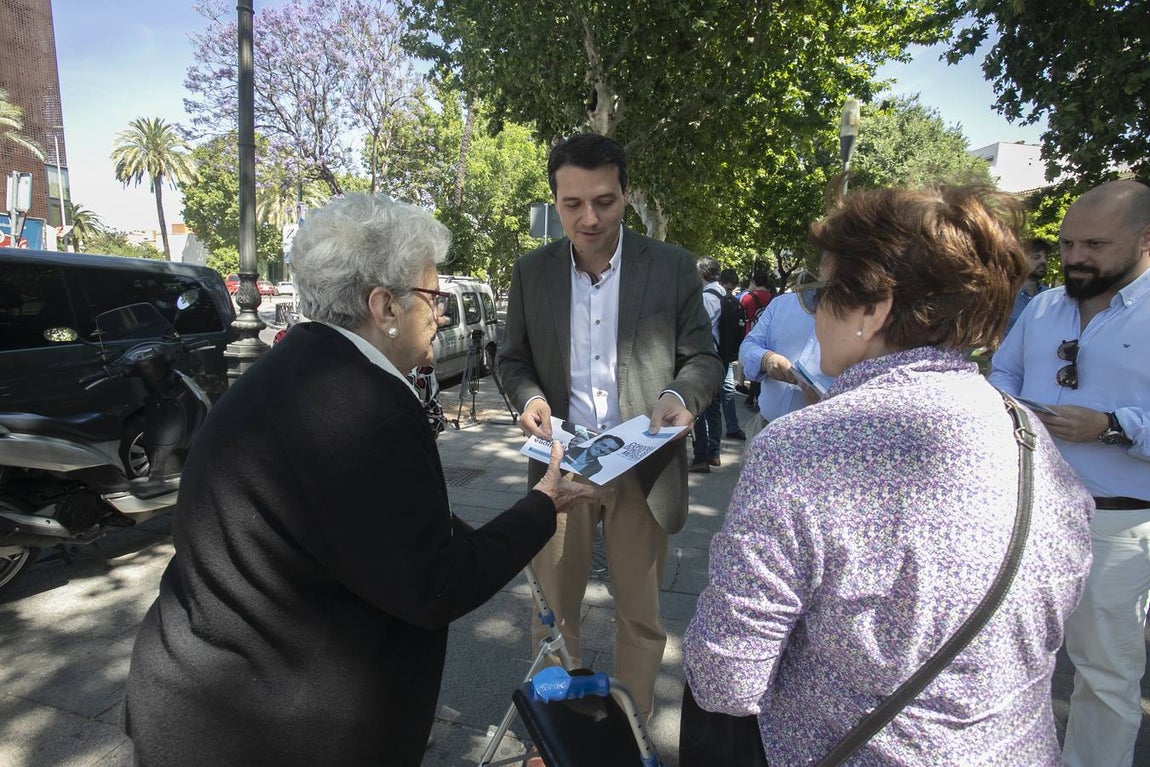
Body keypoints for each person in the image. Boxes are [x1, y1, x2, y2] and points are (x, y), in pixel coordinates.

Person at [122, 194, 597, 767]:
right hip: (269, 730)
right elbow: (433, 585)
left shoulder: (297, 364)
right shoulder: (365, 408)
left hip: (199, 697)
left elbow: (387, 531)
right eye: (433, 297)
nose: (442, 313)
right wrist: (544, 506)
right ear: (384, 306)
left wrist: (508, 528)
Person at [684, 185, 1094, 764]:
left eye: (822, 292)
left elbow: (726, 675)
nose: (813, 308)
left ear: (873, 308)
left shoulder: (804, 447)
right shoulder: (1029, 436)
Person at [498, 133, 722, 724]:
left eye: (604, 200)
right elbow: (512, 359)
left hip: (642, 467)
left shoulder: (671, 267)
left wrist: (678, 395)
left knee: (640, 617)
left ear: (626, 193)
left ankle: (631, 734)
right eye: (572, 204)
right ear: (555, 200)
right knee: (551, 613)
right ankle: (552, 735)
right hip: (561, 465)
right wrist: (528, 397)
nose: (588, 217)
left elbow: (704, 357)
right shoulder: (531, 273)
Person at [989, 179, 1150, 767]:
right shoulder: (1045, 306)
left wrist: (1113, 426)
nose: (1076, 256)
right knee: (1007, 657)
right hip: (1030, 514)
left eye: (1096, 244)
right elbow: (1002, 374)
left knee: (1105, 677)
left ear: (1145, 239)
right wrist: (1012, 411)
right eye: (1067, 243)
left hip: (1118, 527)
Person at [737, 286, 830, 440]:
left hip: (816, 440)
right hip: (764, 428)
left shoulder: (860, 317)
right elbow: (747, 346)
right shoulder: (782, 304)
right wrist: (765, 358)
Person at [691, 258, 744, 473]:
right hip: (722, 358)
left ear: (702, 274)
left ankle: (701, 456)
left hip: (705, 358)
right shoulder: (725, 295)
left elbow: (696, 329)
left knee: (698, 409)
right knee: (714, 407)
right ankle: (714, 452)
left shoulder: (705, 298)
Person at [1003, 237, 1052, 336]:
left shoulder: (1051, 298)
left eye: (1045, 258)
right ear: (1020, 260)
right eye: (1036, 257)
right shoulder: (1004, 295)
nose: (1043, 261)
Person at [738, 271, 774, 409]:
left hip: (750, 333)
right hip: (768, 335)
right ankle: (755, 398)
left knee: (752, 364)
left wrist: (748, 289)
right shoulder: (773, 298)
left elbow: (740, 308)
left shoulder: (748, 297)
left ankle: (751, 395)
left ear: (754, 282)